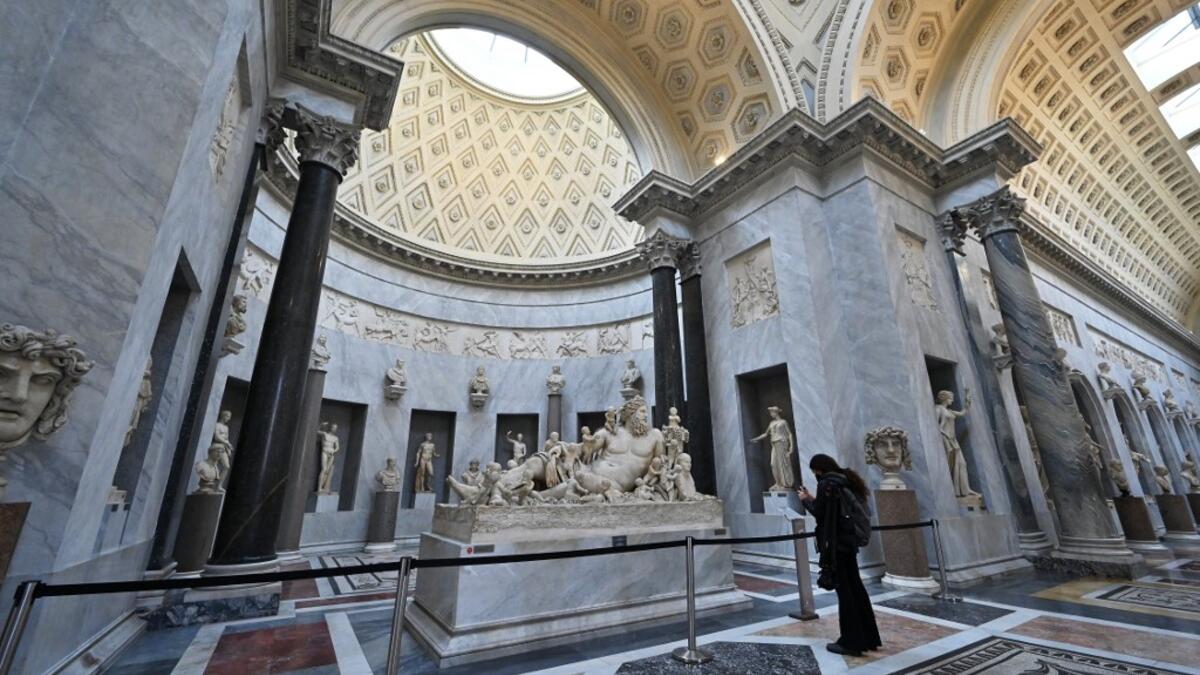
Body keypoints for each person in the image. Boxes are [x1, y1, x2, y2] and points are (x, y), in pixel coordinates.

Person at [797, 453, 881, 657]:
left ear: (818, 469)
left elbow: (822, 514)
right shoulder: (845, 480)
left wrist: (805, 501)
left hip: (837, 544)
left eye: (814, 471)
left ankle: (851, 642)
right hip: (849, 543)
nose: (815, 475)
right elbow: (835, 509)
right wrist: (813, 499)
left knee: (845, 592)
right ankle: (869, 637)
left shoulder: (827, 483)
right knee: (856, 587)